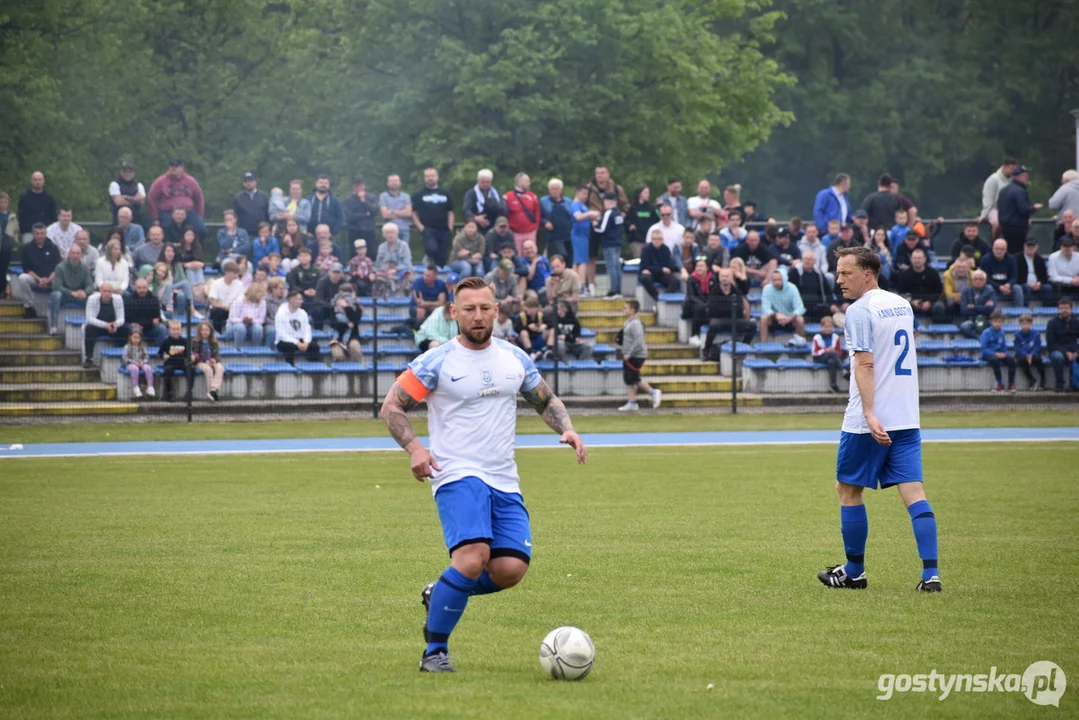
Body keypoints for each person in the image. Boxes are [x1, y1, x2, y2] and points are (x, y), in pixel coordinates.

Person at [379, 276, 586, 673]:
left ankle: (438, 592)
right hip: (456, 472)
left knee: (510, 569)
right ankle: (434, 652)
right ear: (453, 313)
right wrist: (416, 449)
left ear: (497, 311)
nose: (478, 316)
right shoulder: (436, 360)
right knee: (473, 557)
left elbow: (544, 398)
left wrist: (567, 428)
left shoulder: (513, 357)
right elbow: (392, 405)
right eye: (469, 309)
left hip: (503, 477)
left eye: (485, 308)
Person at [818, 246, 939, 592]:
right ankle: (931, 574)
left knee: (848, 489)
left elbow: (866, 363)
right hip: (906, 416)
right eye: (838, 273)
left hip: (868, 420)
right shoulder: (902, 304)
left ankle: (854, 571)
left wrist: (869, 413)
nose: (839, 279)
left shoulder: (859, 310)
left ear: (867, 273)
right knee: (914, 491)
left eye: (846, 272)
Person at [617, 299, 661, 412]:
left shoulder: (636, 323)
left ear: (632, 310)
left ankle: (653, 392)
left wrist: (629, 354)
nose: (624, 310)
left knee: (633, 377)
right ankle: (631, 402)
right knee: (628, 379)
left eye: (626, 308)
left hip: (636, 356)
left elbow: (638, 341)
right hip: (629, 355)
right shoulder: (629, 322)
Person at [702, 268, 756, 357]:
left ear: (731, 277)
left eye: (726, 276)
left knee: (752, 325)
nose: (724, 278)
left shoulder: (736, 291)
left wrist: (723, 306)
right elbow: (712, 310)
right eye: (722, 276)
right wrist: (730, 306)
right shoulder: (714, 291)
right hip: (719, 321)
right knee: (713, 325)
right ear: (719, 278)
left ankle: (743, 347)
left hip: (734, 320)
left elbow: (739, 309)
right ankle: (707, 349)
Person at [147, 159, 206, 238]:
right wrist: (155, 218)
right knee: (167, 230)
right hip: (168, 213)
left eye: (176, 166)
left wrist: (199, 216)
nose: (173, 168)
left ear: (182, 168)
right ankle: (171, 248)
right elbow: (151, 199)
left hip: (188, 212)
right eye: (171, 166)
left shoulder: (191, 181)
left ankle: (193, 249)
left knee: (201, 230)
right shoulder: (160, 181)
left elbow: (199, 198)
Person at [13, 224, 61, 318]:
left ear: (46, 233)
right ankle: (29, 308)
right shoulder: (26, 248)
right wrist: (39, 279)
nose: (40, 236)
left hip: (51, 279)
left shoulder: (53, 248)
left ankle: (55, 309)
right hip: (35, 278)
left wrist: (48, 280)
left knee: (59, 280)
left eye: (42, 233)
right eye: (37, 233)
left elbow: (57, 268)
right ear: (33, 234)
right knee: (23, 278)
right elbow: (27, 269)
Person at [412, 168, 455, 267]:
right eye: (427, 176)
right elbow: (413, 213)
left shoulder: (445, 193)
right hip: (428, 229)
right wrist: (421, 228)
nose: (430, 178)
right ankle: (428, 260)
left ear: (437, 177)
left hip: (444, 229)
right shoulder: (419, 194)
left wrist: (450, 228)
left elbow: (450, 212)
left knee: (442, 259)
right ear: (425, 178)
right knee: (431, 249)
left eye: (432, 176)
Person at [49, 243, 94, 335]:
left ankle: (91, 325)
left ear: (81, 255)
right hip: (65, 296)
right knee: (56, 295)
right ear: (69, 254)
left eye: (78, 253)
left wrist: (85, 292)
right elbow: (57, 286)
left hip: (80, 296)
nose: (75, 255)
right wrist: (72, 293)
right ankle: (54, 326)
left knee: (93, 296)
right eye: (73, 253)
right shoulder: (60, 267)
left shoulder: (85, 268)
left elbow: (90, 286)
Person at [997, 165, 1043, 254]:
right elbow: (1023, 209)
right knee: (1017, 253)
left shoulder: (1004, 190)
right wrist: (1034, 208)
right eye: (1025, 175)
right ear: (1018, 176)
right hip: (1017, 228)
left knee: (1009, 251)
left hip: (1005, 227)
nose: (1027, 178)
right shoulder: (1020, 191)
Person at [83, 283, 126, 367]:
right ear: (100, 291)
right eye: (105, 291)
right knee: (89, 329)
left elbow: (121, 318)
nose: (107, 294)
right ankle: (88, 358)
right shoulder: (92, 299)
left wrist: (116, 324)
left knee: (126, 329)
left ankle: (123, 356)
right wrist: (105, 325)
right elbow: (90, 319)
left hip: (113, 327)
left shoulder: (118, 299)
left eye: (109, 291)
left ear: (112, 292)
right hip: (98, 327)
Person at [788, 251, 837, 324]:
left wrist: (831, 304)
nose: (807, 261)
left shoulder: (819, 274)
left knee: (830, 312)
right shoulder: (795, 272)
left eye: (810, 259)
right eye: (805, 259)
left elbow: (827, 291)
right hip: (800, 306)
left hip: (817, 306)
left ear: (814, 262)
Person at [759, 270, 806, 345]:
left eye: (779, 280)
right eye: (774, 280)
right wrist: (776, 315)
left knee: (800, 319)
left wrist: (790, 317)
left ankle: (800, 343)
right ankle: (763, 345)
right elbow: (765, 308)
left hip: (790, 318)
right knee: (764, 318)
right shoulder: (767, 289)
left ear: (784, 279)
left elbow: (800, 307)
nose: (777, 282)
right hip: (775, 318)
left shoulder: (792, 288)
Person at [895, 248, 944, 319]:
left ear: (924, 259)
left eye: (919, 258)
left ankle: (938, 328)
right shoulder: (904, 274)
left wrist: (930, 302)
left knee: (939, 306)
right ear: (911, 260)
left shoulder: (933, 273)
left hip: (930, 303)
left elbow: (939, 293)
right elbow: (901, 294)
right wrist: (912, 301)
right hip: (911, 304)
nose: (917, 260)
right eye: (915, 258)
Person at [593, 192, 625, 297]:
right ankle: (619, 290)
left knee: (612, 267)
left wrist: (595, 225)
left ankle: (613, 290)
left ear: (608, 201)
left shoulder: (609, 213)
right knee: (617, 267)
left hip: (609, 243)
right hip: (617, 243)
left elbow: (602, 229)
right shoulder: (618, 213)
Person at [275, 289, 320, 364]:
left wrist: (306, 342)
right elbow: (281, 333)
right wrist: (297, 343)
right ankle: (290, 368)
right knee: (289, 347)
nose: (301, 301)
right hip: (284, 341)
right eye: (299, 299)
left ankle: (313, 370)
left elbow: (307, 329)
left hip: (300, 340)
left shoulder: (303, 313)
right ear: (292, 301)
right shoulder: (281, 313)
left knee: (315, 347)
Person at [977, 309, 1015, 392]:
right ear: (991, 321)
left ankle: (1011, 384)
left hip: (999, 353)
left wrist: (1005, 353)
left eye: (1000, 321)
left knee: (1011, 360)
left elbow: (1004, 346)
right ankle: (1000, 384)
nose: (997, 323)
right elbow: (983, 348)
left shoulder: (1002, 332)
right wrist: (995, 353)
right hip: (988, 353)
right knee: (995, 360)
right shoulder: (986, 332)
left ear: (1002, 322)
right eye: (995, 321)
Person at [502, 173, 541, 254]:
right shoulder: (508, 196)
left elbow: (537, 213)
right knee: (517, 254)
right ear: (520, 182)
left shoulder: (532, 196)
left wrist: (535, 228)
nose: (529, 183)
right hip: (515, 233)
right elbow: (504, 214)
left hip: (530, 232)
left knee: (531, 254)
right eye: (527, 181)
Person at [1046, 298, 1079, 392]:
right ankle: (1059, 383)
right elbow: (1051, 344)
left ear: (1071, 309)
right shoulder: (1052, 323)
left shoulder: (1076, 322)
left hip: (1073, 350)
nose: (1064, 310)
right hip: (1057, 350)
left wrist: (1076, 352)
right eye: (1061, 308)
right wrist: (1066, 352)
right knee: (1057, 357)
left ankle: (1074, 385)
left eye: (1066, 308)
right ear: (1058, 309)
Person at [979, 239, 1023, 307]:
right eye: (997, 249)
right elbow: (986, 279)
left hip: (1007, 287)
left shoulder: (1011, 259)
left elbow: (1014, 277)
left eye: (1002, 249)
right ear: (993, 248)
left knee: (1017, 288)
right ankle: (992, 312)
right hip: (993, 286)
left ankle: (1019, 312)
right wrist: (999, 287)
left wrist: (1009, 285)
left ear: (1006, 250)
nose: (999, 251)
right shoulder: (985, 260)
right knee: (988, 288)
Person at [638, 228, 679, 301]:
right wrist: (661, 269)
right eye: (654, 239)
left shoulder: (666, 249)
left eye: (659, 239)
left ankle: (664, 297)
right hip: (652, 274)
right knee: (644, 278)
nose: (657, 241)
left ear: (662, 240)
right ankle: (657, 297)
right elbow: (644, 266)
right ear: (651, 239)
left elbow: (668, 264)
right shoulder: (646, 249)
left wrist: (659, 269)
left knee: (675, 281)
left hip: (661, 274)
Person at [373, 223, 413, 297]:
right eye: (387, 233)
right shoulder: (381, 247)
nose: (390, 235)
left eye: (392, 233)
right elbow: (378, 264)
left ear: (397, 233)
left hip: (401, 272)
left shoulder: (404, 245)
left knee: (406, 277)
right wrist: (375, 272)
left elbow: (407, 264)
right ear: (384, 235)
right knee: (377, 280)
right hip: (385, 273)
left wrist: (396, 270)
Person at [17, 172, 58, 245]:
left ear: (43, 181)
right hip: (29, 233)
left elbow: (53, 217)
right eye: (35, 180)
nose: (37, 182)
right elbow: (21, 217)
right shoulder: (24, 199)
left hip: (47, 233)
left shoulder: (50, 199)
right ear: (31, 181)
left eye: (39, 179)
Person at [979, 157, 1016, 234]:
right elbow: (988, 198)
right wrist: (984, 214)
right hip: (994, 208)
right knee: (997, 224)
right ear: (1004, 166)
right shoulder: (993, 179)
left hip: (1009, 209)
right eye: (1011, 168)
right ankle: (996, 243)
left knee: (1025, 222)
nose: (1013, 171)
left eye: (1014, 169)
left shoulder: (1014, 180)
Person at [124, 278, 167, 346]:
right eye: (139, 288)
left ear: (148, 287)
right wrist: (150, 321)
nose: (142, 290)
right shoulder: (129, 300)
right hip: (135, 329)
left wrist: (145, 321)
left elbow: (157, 318)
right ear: (135, 288)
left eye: (144, 287)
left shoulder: (154, 299)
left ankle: (159, 354)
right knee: (134, 328)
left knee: (161, 328)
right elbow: (131, 319)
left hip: (150, 329)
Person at [539, 178, 574, 261]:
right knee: (561, 254)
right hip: (554, 236)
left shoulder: (568, 201)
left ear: (561, 190)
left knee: (570, 258)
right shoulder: (543, 201)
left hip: (568, 235)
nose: (554, 191)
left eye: (556, 189)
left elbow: (573, 216)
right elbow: (539, 216)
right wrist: (545, 222)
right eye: (552, 189)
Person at [329, 282, 364, 361]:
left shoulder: (357, 306)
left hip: (352, 337)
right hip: (338, 338)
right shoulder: (334, 307)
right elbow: (333, 323)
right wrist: (346, 325)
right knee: (338, 355)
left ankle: (357, 371)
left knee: (356, 349)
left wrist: (347, 307)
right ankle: (342, 372)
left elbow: (356, 320)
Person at [191, 321, 225, 401]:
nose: (205, 332)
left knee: (220, 367)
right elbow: (195, 355)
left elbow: (217, 354)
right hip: (200, 362)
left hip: (211, 361)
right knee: (208, 369)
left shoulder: (214, 342)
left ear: (210, 331)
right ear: (199, 331)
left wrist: (214, 360)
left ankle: (213, 390)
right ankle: (212, 393)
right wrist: (206, 362)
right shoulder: (195, 342)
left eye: (207, 330)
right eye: (203, 330)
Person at [207, 261, 245, 333]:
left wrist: (232, 308)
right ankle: (217, 333)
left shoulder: (240, 285)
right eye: (234, 273)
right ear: (227, 272)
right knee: (217, 312)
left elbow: (242, 299)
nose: (236, 275)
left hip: (234, 310)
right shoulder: (216, 283)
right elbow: (213, 301)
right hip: (219, 309)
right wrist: (225, 307)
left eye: (237, 273)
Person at [226, 282, 267, 348]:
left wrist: (252, 320)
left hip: (251, 325)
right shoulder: (239, 300)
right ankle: (238, 349)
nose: (262, 295)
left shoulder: (262, 302)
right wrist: (242, 320)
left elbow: (261, 319)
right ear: (254, 293)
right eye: (260, 293)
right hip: (234, 326)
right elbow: (232, 318)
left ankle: (256, 349)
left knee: (258, 328)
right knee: (240, 327)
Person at [157, 319, 190, 401]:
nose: (176, 331)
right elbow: (160, 353)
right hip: (170, 363)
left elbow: (187, 353)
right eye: (173, 329)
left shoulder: (184, 341)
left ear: (181, 330)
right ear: (169, 330)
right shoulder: (166, 341)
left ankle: (189, 391)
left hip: (181, 362)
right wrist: (163, 356)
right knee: (168, 371)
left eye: (178, 329)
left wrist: (190, 357)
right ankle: (169, 393)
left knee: (191, 369)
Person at [343, 175, 379, 249]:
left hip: (369, 230)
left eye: (361, 186)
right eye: (357, 186)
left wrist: (364, 201)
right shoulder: (348, 199)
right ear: (354, 187)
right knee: (354, 254)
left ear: (364, 186)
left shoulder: (371, 197)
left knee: (371, 254)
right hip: (354, 230)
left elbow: (375, 212)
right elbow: (349, 217)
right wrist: (365, 215)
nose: (359, 188)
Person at [959, 270, 997, 339]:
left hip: (987, 319)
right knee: (964, 326)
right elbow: (964, 310)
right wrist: (983, 308)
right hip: (971, 319)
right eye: (975, 279)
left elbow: (991, 309)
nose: (978, 281)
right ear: (972, 280)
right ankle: (978, 338)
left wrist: (973, 307)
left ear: (985, 280)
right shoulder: (966, 291)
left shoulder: (990, 291)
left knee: (996, 325)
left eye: (980, 279)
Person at [1015, 237, 1053, 306]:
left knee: (1048, 288)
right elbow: (1015, 275)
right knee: (1027, 288)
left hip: (1037, 284)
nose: (1030, 248)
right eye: (1028, 246)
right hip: (1023, 283)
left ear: (1036, 247)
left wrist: (1039, 283)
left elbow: (1044, 277)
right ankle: (1025, 309)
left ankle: (1047, 309)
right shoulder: (1017, 258)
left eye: (1033, 246)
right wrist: (1028, 283)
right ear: (1024, 246)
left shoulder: (1040, 260)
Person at [811, 314, 844, 393]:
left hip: (833, 358)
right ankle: (843, 371)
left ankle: (833, 385)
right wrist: (826, 350)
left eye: (829, 326)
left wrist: (833, 351)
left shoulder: (836, 336)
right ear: (821, 327)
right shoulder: (817, 337)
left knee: (831, 361)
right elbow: (815, 352)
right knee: (831, 352)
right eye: (826, 327)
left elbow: (839, 351)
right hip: (820, 358)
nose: (828, 329)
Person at [1013, 313, 1046, 391]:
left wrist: (1031, 354)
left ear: (1031, 324)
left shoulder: (1036, 334)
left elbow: (1037, 345)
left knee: (1039, 359)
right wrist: (1026, 355)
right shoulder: (1017, 335)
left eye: (1028, 323)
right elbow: (1017, 347)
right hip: (1022, 354)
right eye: (1023, 324)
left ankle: (1043, 379)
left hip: (1033, 353)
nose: (1025, 325)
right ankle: (1032, 380)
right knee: (1021, 361)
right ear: (1020, 324)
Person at [625, 185, 659, 259]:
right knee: (638, 259)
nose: (648, 195)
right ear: (639, 194)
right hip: (636, 239)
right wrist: (630, 225)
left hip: (649, 239)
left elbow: (656, 221)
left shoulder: (651, 208)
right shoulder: (632, 207)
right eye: (646, 192)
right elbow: (626, 220)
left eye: (648, 192)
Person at [122, 326, 156, 399]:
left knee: (148, 368)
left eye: (138, 338)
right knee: (135, 369)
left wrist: (143, 362)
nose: (136, 340)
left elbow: (147, 357)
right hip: (130, 364)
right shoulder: (127, 347)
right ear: (130, 337)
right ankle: (136, 387)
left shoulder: (143, 347)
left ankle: (150, 387)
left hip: (141, 363)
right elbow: (125, 358)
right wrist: (134, 362)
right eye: (134, 337)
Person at [231, 172, 269, 236]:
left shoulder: (264, 196)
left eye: (250, 181)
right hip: (244, 234)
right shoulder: (238, 198)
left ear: (255, 182)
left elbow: (267, 214)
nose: (248, 183)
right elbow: (234, 216)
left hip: (261, 233)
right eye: (246, 181)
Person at [110, 162, 147, 226]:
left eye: (130, 172)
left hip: (136, 219)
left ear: (133, 173)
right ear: (121, 172)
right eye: (125, 172)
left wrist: (126, 197)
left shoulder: (139, 185)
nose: (127, 174)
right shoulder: (114, 184)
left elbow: (142, 201)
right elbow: (118, 202)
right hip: (119, 220)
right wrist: (135, 200)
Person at [379, 174, 412, 242]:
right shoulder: (383, 196)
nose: (394, 183)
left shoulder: (406, 196)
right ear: (388, 183)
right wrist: (402, 212)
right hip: (389, 231)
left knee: (404, 251)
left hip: (404, 229)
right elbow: (385, 214)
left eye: (396, 181)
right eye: (391, 181)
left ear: (400, 183)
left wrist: (392, 211)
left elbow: (408, 213)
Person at [514, 293, 550, 357]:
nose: (528, 309)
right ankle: (530, 353)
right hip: (526, 340)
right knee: (523, 332)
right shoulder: (522, 316)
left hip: (538, 337)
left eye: (530, 307)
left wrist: (544, 326)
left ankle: (548, 350)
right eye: (527, 307)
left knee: (550, 331)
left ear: (536, 308)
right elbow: (517, 328)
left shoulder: (540, 316)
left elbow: (550, 324)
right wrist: (528, 327)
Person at [313, 262, 346, 327]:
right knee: (317, 312)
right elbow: (318, 299)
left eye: (338, 272)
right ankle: (319, 334)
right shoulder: (322, 282)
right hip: (326, 307)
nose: (335, 275)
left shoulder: (345, 283)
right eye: (334, 272)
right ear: (329, 272)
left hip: (340, 308)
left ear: (342, 274)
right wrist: (332, 305)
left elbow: (349, 297)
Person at [1048, 234, 1079, 298]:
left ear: (1074, 247)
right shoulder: (1053, 257)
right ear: (1061, 247)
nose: (1067, 248)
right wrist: (1071, 280)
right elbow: (1053, 277)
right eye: (1065, 246)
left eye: (1069, 246)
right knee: (1056, 286)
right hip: (1060, 284)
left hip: (1076, 282)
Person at [0, 192, 18, 298]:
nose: (2, 204)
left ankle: (2, 290)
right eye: (1, 202)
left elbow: (16, 230)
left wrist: (13, 241)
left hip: (7, 245)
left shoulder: (12, 216)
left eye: (5, 202)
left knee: (4, 268)